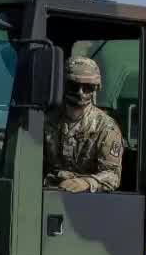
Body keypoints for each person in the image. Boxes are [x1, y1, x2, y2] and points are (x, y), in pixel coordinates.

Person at [44, 55, 123, 192]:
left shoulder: (106, 127)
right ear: (63, 85)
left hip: (86, 201)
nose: (80, 93)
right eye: (74, 86)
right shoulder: (47, 120)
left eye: (87, 87)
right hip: (47, 192)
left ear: (96, 88)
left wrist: (87, 182)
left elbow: (112, 175)